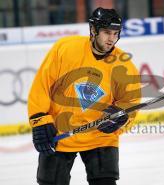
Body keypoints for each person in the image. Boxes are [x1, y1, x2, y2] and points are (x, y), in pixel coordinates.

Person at [28, 7, 141, 185]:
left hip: (100, 136)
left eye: (115, 33)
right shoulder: (65, 49)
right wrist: (39, 119)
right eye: (106, 32)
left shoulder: (123, 65)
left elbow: (130, 101)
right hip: (61, 132)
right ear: (93, 30)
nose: (112, 39)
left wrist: (122, 117)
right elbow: (42, 84)